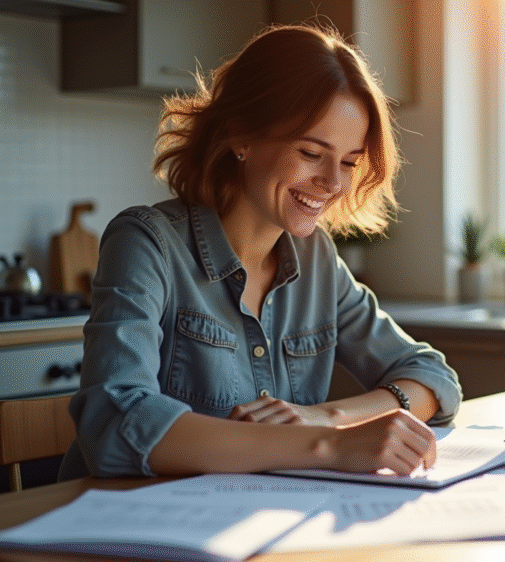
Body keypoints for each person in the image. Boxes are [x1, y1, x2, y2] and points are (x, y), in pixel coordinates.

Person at [59, 24, 461, 481]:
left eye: (349, 162)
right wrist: (326, 445)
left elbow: (433, 377)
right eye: (312, 152)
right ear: (242, 136)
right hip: (128, 530)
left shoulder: (317, 261)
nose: (333, 183)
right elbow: (115, 423)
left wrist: (326, 418)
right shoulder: (146, 242)